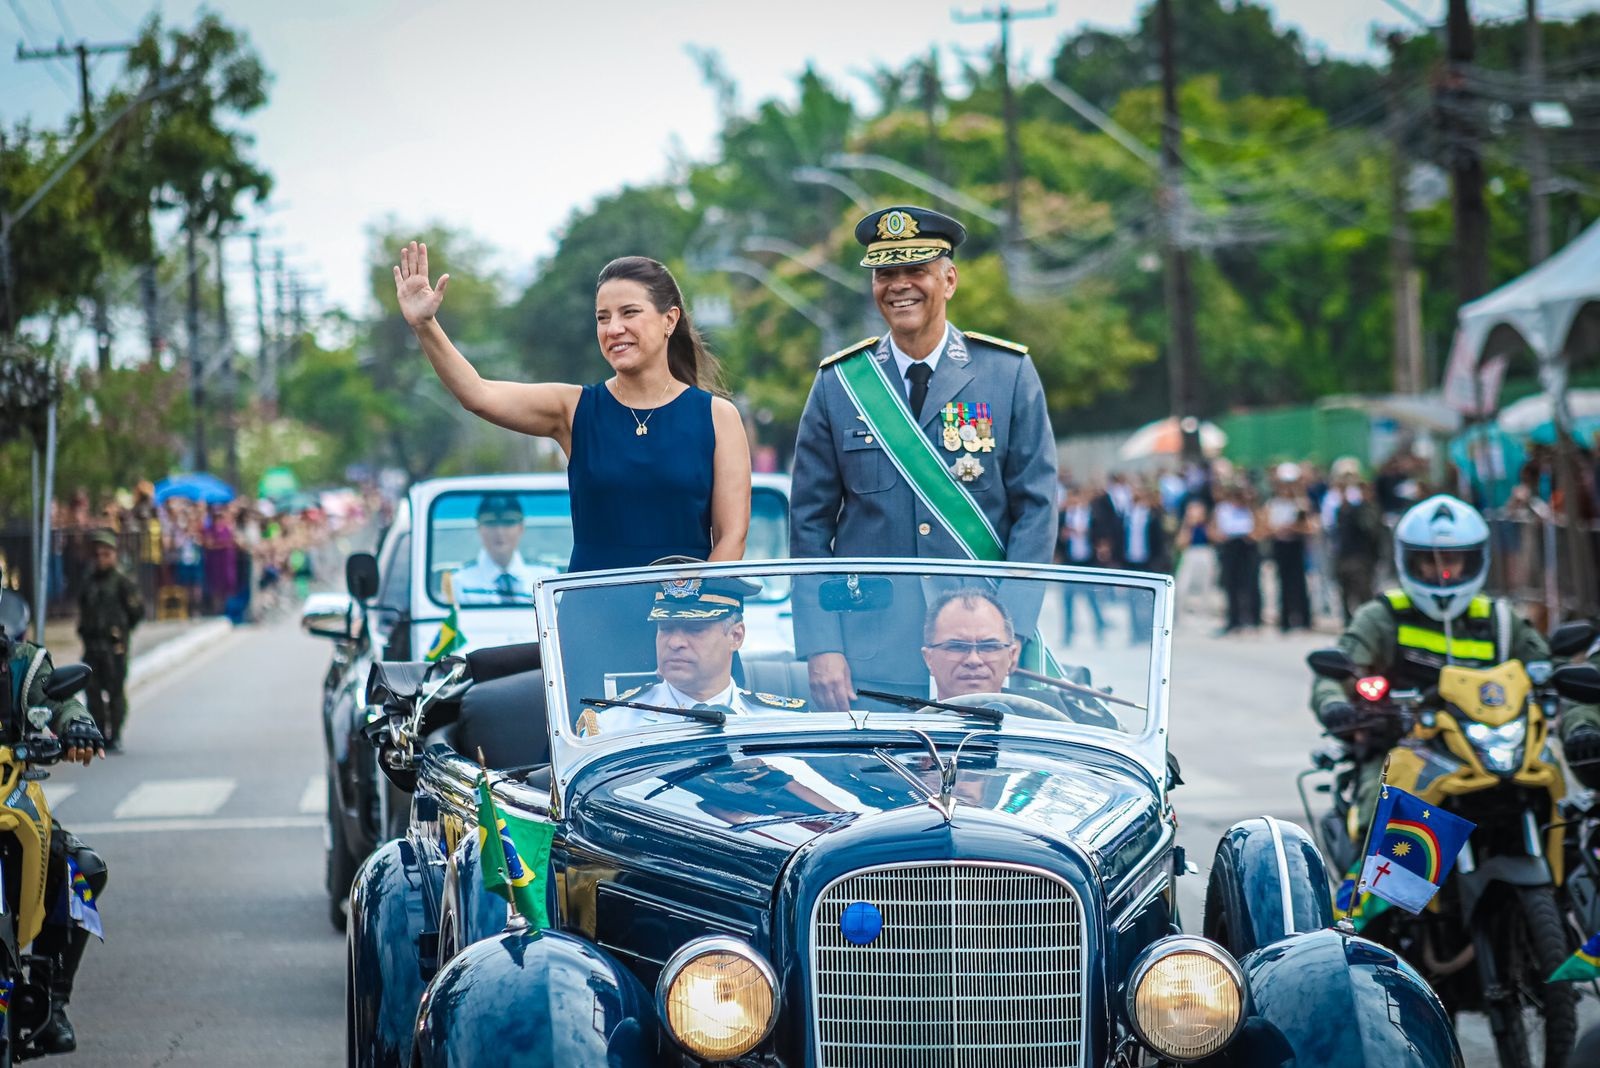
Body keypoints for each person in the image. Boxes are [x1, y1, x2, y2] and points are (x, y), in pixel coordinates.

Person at [790, 205, 1058, 711]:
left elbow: (1037, 512)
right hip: (871, 650)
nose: (899, 286)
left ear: (949, 280)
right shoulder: (839, 383)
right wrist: (822, 645)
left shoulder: (1008, 374)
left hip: (978, 646)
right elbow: (808, 528)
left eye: (916, 270)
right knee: (875, 788)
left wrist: (1014, 629)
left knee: (981, 784)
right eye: (885, 273)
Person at [396, 243, 751, 571]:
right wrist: (425, 325)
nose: (614, 328)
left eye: (629, 313)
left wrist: (691, 619)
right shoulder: (574, 408)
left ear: (669, 320)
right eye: (602, 317)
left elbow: (731, 537)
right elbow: (478, 393)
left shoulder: (717, 417)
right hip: (592, 623)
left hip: (686, 626)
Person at [1310, 494, 1600, 841]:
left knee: (1569, 811)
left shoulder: (1499, 618)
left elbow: (1551, 670)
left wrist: (1578, 720)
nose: (1443, 570)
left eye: (1454, 560)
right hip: (1405, 745)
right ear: (1409, 562)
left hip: (1495, 746)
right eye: (1429, 562)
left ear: (1476, 560)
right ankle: (1372, 893)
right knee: (1380, 820)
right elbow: (1337, 669)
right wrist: (1334, 706)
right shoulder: (1382, 616)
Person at [0, 584, 107, 1053]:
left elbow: (60, 701)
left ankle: (51, 996)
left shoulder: (23, 661)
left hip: (10, 793)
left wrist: (76, 725)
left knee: (81, 870)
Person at [576, 575, 804, 735]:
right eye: (665, 628)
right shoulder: (612, 725)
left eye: (695, 629)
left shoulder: (781, 724)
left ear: (736, 636)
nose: (675, 642)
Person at [76, 530, 143, 752]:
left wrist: (122, 631)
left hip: (114, 646)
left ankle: (115, 734)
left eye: (106, 554)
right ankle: (99, 733)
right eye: (98, 555)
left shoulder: (122, 581)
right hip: (93, 645)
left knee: (115, 691)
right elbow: (83, 607)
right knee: (92, 691)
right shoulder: (87, 580)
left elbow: (136, 611)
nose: (101, 559)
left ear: (114, 554)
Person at [449, 495, 557, 605]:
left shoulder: (545, 578)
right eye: (490, 523)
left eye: (508, 522)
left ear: (521, 527)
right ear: (479, 527)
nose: (499, 532)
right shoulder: (459, 582)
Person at [1265, 464, 1316, 632]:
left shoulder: (1301, 503)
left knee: (1299, 582)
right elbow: (1267, 526)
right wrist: (1279, 530)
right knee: (1283, 582)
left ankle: (1304, 619)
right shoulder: (1273, 503)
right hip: (1280, 545)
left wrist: (1293, 527)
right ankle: (1285, 620)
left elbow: (1309, 526)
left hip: (1296, 545)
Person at [1210, 483, 1262, 635]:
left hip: (1247, 546)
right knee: (1231, 584)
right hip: (1229, 546)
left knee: (1250, 584)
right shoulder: (1223, 509)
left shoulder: (1250, 509)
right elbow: (1213, 529)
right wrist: (1219, 537)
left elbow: (1260, 527)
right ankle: (1234, 620)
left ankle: (1253, 619)